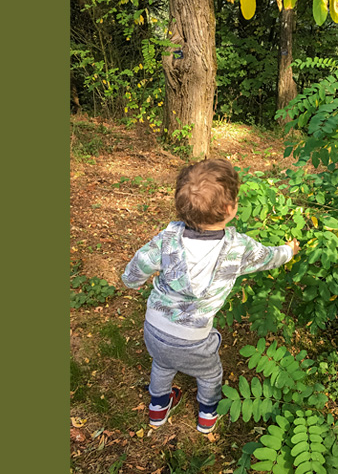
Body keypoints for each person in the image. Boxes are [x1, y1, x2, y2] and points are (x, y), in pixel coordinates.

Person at [121, 158, 300, 434]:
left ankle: (157, 409)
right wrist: (289, 251)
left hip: (155, 329)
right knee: (210, 373)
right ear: (229, 209)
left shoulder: (166, 239)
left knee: (163, 363)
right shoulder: (237, 247)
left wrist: (131, 281)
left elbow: (138, 266)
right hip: (194, 340)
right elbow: (268, 257)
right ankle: (206, 415)